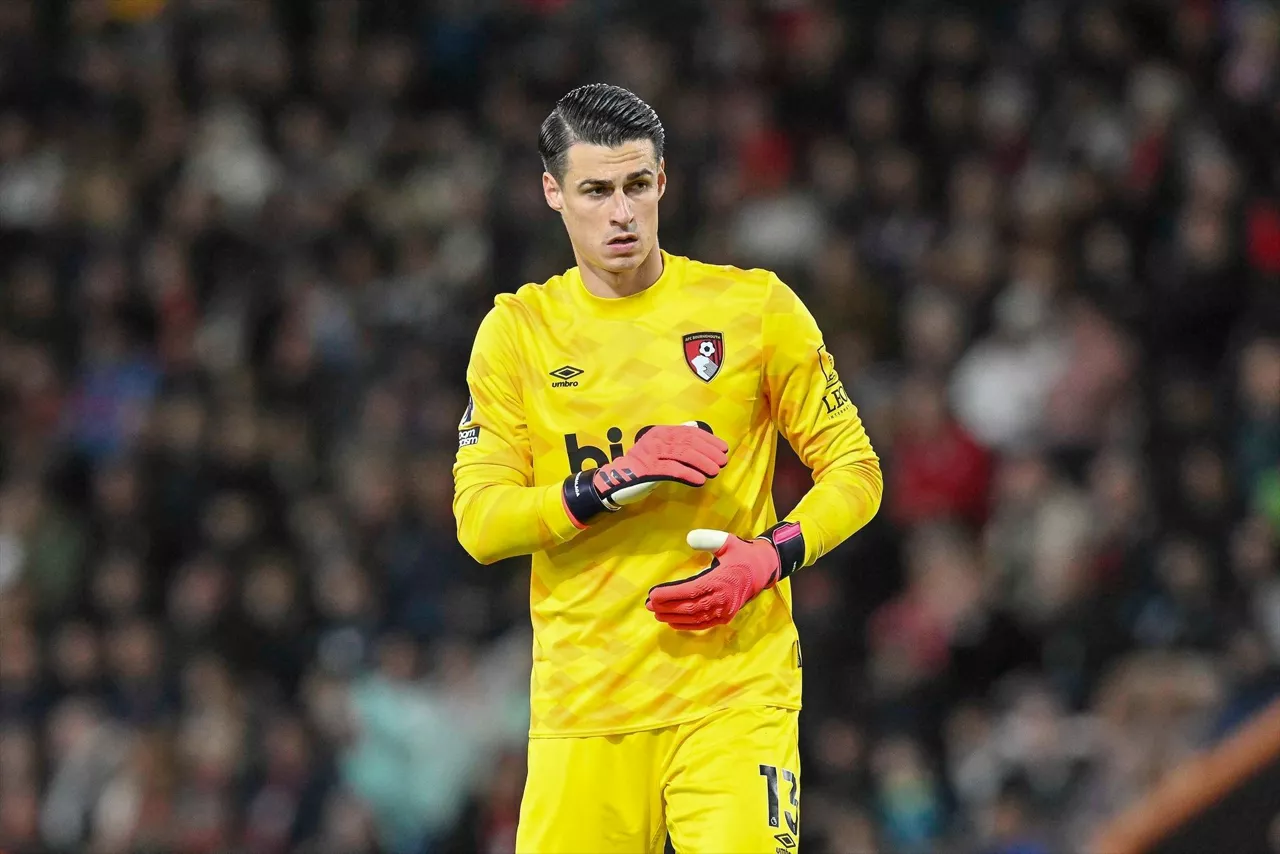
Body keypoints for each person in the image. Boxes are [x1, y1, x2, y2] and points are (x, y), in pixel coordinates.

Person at [451, 83, 883, 853]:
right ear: (553, 192)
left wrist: (771, 556)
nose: (621, 212)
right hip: (586, 707)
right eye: (596, 191)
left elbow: (856, 469)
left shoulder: (754, 310)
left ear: (663, 182)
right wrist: (606, 484)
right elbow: (481, 526)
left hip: (733, 691)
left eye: (637, 185)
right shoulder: (519, 332)